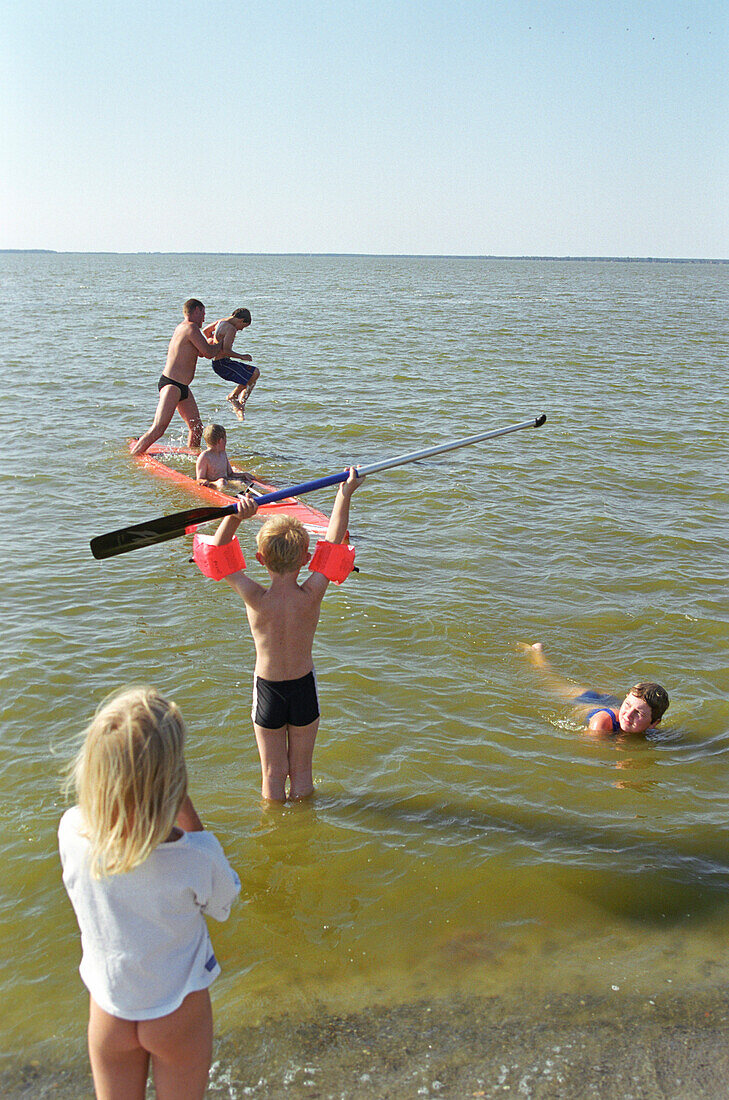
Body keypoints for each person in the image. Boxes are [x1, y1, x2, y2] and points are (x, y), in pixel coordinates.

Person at [58, 686, 241, 1100]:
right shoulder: (196, 855)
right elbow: (224, 905)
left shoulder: (71, 831)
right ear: (174, 783)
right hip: (178, 1011)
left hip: (110, 1009)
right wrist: (189, 817)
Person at [192, 469, 364, 802]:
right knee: (302, 774)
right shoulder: (312, 593)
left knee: (272, 775)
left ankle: (274, 835)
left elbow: (219, 553)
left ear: (259, 559)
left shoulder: (254, 597)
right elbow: (333, 540)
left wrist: (236, 515)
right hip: (302, 688)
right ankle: (304, 834)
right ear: (305, 558)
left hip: (268, 689)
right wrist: (345, 494)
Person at [131, 299, 224, 456]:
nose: (204, 318)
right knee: (159, 428)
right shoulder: (190, 328)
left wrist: (212, 341)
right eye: (203, 313)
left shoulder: (185, 328)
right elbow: (208, 352)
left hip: (182, 387)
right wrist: (222, 343)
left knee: (196, 427)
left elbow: (202, 351)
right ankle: (134, 456)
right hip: (172, 385)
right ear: (195, 311)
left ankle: (192, 457)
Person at [519, 642, 670, 736]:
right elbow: (587, 753)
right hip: (585, 700)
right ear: (625, 699)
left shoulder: (649, 729)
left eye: (638, 713)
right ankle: (537, 654)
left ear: (654, 724)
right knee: (551, 680)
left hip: (608, 702)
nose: (628, 715)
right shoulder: (602, 724)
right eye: (628, 705)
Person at [202, 307, 259, 420]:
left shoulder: (221, 322)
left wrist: (213, 343)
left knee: (252, 374)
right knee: (254, 373)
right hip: (222, 364)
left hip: (222, 363)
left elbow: (205, 331)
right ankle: (235, 399)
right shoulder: (231, 329)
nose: (241, 330)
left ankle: (240, 404)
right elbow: (226, 350)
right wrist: (242, 356)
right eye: (243, 326)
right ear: (241, 320)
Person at [195, 423, 253, 489]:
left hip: (226, 481)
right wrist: (208, 482)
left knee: (240, 483)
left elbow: (230, 474)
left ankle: (249, 494)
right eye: (225, 439)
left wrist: (244, 474)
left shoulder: (223, 453)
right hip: (214, 483)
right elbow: (199, 479)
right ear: (220, 441)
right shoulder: (204, 456)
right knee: (221, 482)